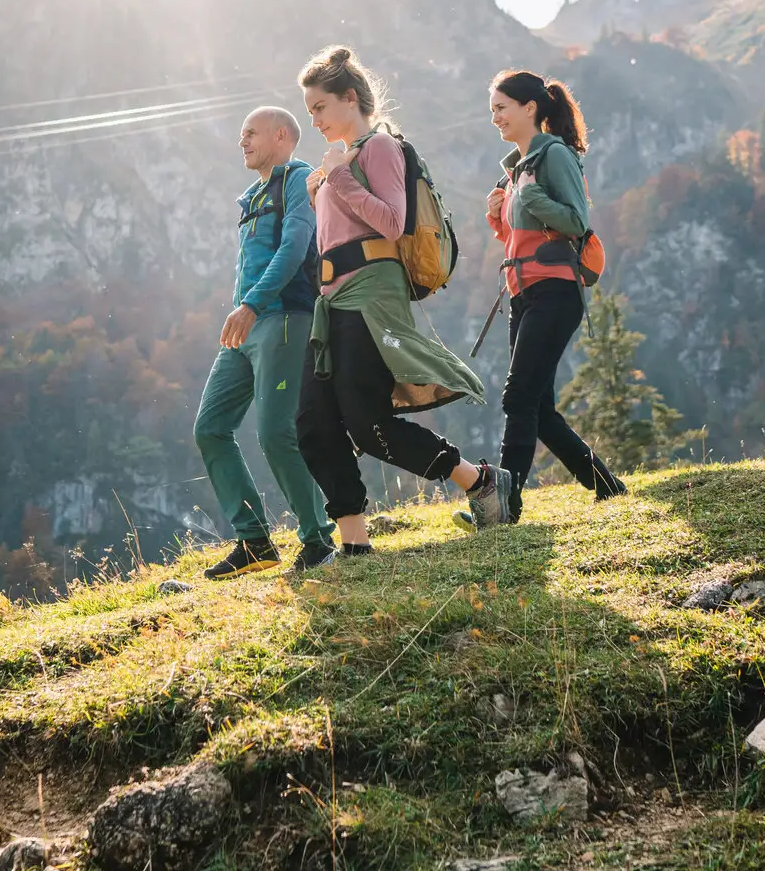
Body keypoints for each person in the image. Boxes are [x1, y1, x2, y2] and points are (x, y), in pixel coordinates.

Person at [294, 45, 510, 551]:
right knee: (313, 422)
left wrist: (339, 177)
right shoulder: (339, 161)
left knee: (368, 426)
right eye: (310, 112)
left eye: (320, 108)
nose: (316, 120)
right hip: (334, 303)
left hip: (372, 298)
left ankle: (480, 482)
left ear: (350, 98)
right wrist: (320, 189)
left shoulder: (379, 149)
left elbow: (394, 222)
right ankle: (355, 544)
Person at [198, 106, 340, 579]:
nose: (242, 141)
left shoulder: (299, 180)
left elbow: (295, 245)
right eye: (241, 135)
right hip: (245, 324)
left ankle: (317, 539)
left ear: (281, 136)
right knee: (211, 427)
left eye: (250, 133)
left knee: (275, 432)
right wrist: (243, 306)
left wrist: (251, 304)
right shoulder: (252, 196)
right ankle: (255, 539)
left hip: (281, 319)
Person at [482, 69, 625, 522]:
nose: (496, 119)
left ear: (530, 108)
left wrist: (531, 194)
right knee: (538, 408)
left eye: (502, 108)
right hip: (522, 292)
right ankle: (608, 487)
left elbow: (575, 221)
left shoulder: (554, 156)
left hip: (555, 290)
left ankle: (505, 504)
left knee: (518, 398)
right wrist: (498, 215)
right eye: (493, 111)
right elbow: (519, 233)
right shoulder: (518, 168)